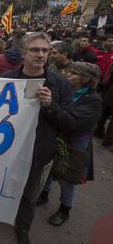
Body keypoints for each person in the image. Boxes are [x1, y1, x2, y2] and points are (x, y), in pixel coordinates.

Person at [0, 32, 76, 244]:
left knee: (28, 195)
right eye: (34, 50)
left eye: (45, 50)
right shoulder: (5, 80)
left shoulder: (59, 84)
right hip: (3, 149)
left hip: (38, 152)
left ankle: (22, 227)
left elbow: (69, 123)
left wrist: (51, 106)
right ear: (23, 53)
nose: (40, 54)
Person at [37, 62, 101, 226]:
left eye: (74, 73)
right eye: (69, 71)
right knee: (50, 168)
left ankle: (65, 209)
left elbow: (73, 123)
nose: (68, 75)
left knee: (67, 177)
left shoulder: (92, 99)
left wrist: (52, 107)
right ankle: (44, 194)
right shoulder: (67, 90)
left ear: (86, 79)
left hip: (75, 144)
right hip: (57, 136)